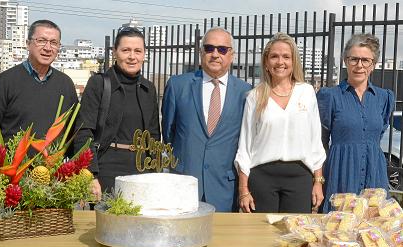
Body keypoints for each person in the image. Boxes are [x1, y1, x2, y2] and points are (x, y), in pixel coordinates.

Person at [235, 32, 326, 214]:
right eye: (274, 56)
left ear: (293, 62)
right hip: (262, 178)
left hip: (299, 178)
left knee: (296, 238)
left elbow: (315, 142)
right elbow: (245, 146)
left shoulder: (307, 93)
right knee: (261, 238)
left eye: (286, 56)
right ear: (266, 63)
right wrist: (243, 190)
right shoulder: (255, 96)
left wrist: (318, 182)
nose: (280, 62)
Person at [162, 27, 251, 212]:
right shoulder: (178, 86)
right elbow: (168, 133)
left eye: (222, 49)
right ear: (201, 52)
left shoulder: (246, 92)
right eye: (209, 48)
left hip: (224, 189)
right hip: (183, 184)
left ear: (232, 55)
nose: (215, 54)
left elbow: (246, 141)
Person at [74, 27, 160, 199]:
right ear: (115, 52)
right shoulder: (99, 84)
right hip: (106, 169)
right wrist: (91, 174)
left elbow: (154, 136)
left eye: (137, 51)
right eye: (125, 50)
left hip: (142, 170)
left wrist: (155, 173)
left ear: (144, 55)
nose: (132, 56)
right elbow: (84, 132)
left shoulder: (148, 89)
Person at [317, 33, 394, 213]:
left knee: (372, 232)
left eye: (366, 60)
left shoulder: (384, 98)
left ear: (373, 65)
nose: (359, 65)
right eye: (354, 59)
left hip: (374, 172)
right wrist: (318, 181)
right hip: (341, 172)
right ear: (345, 61)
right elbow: (320, 143)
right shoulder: (330, 96)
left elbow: (378, 132)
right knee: (338, 230)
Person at [0, 20, 78, 144]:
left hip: (53, 162)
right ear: (28, 44)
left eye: (54, 43)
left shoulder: (65, 84)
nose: (48, 48)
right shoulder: (6, 81)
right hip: (10, 162)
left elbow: (74, 131)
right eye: (41, 41)